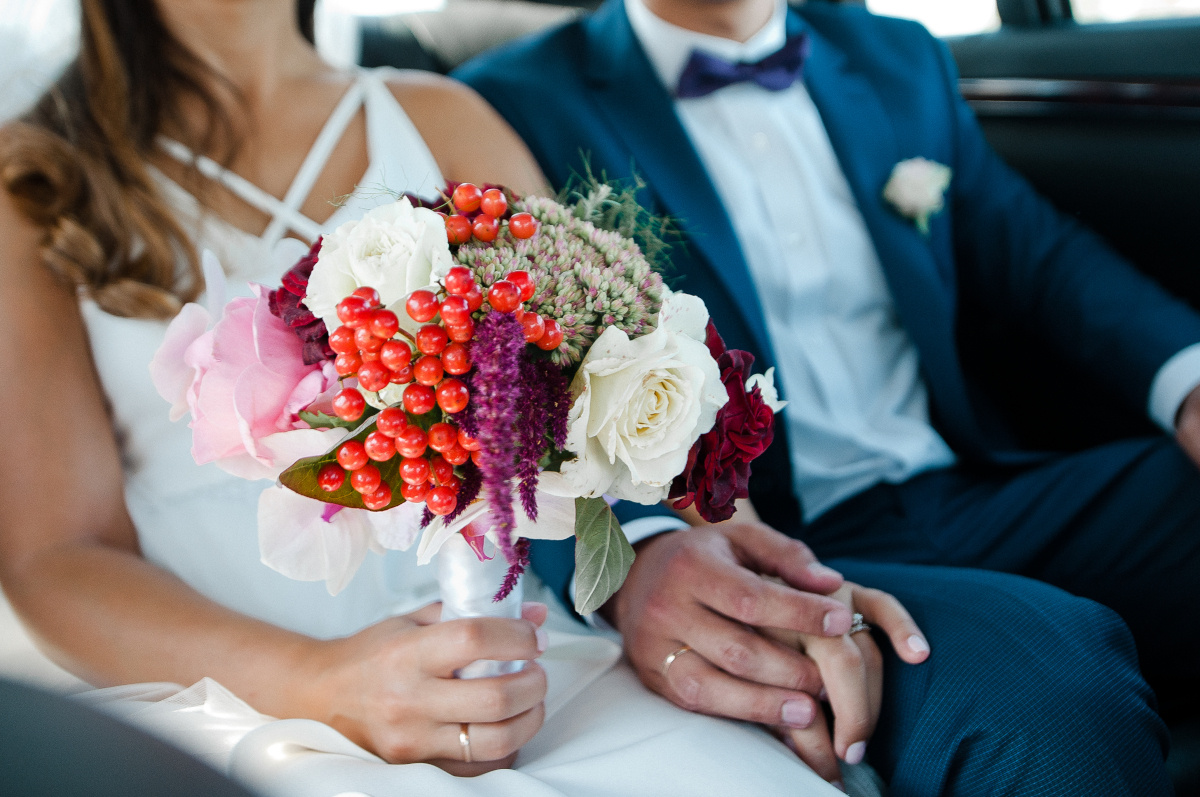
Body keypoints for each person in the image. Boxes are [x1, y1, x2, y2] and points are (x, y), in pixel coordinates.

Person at [0, 1, 915, 794]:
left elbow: (614, 366)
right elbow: (57, 555)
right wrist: (320, 684)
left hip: (514, 649)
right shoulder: (38, 179)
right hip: (230, 689)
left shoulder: (441, 119)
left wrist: (720, 564)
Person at [454, 0, 1199, 792]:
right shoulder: (506, 105)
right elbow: (507, 390)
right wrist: (635, 551)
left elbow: (1038, 256)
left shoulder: (898, 56)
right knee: (1054, 702)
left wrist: (1189, 382)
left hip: (979, 489)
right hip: (767, 546)